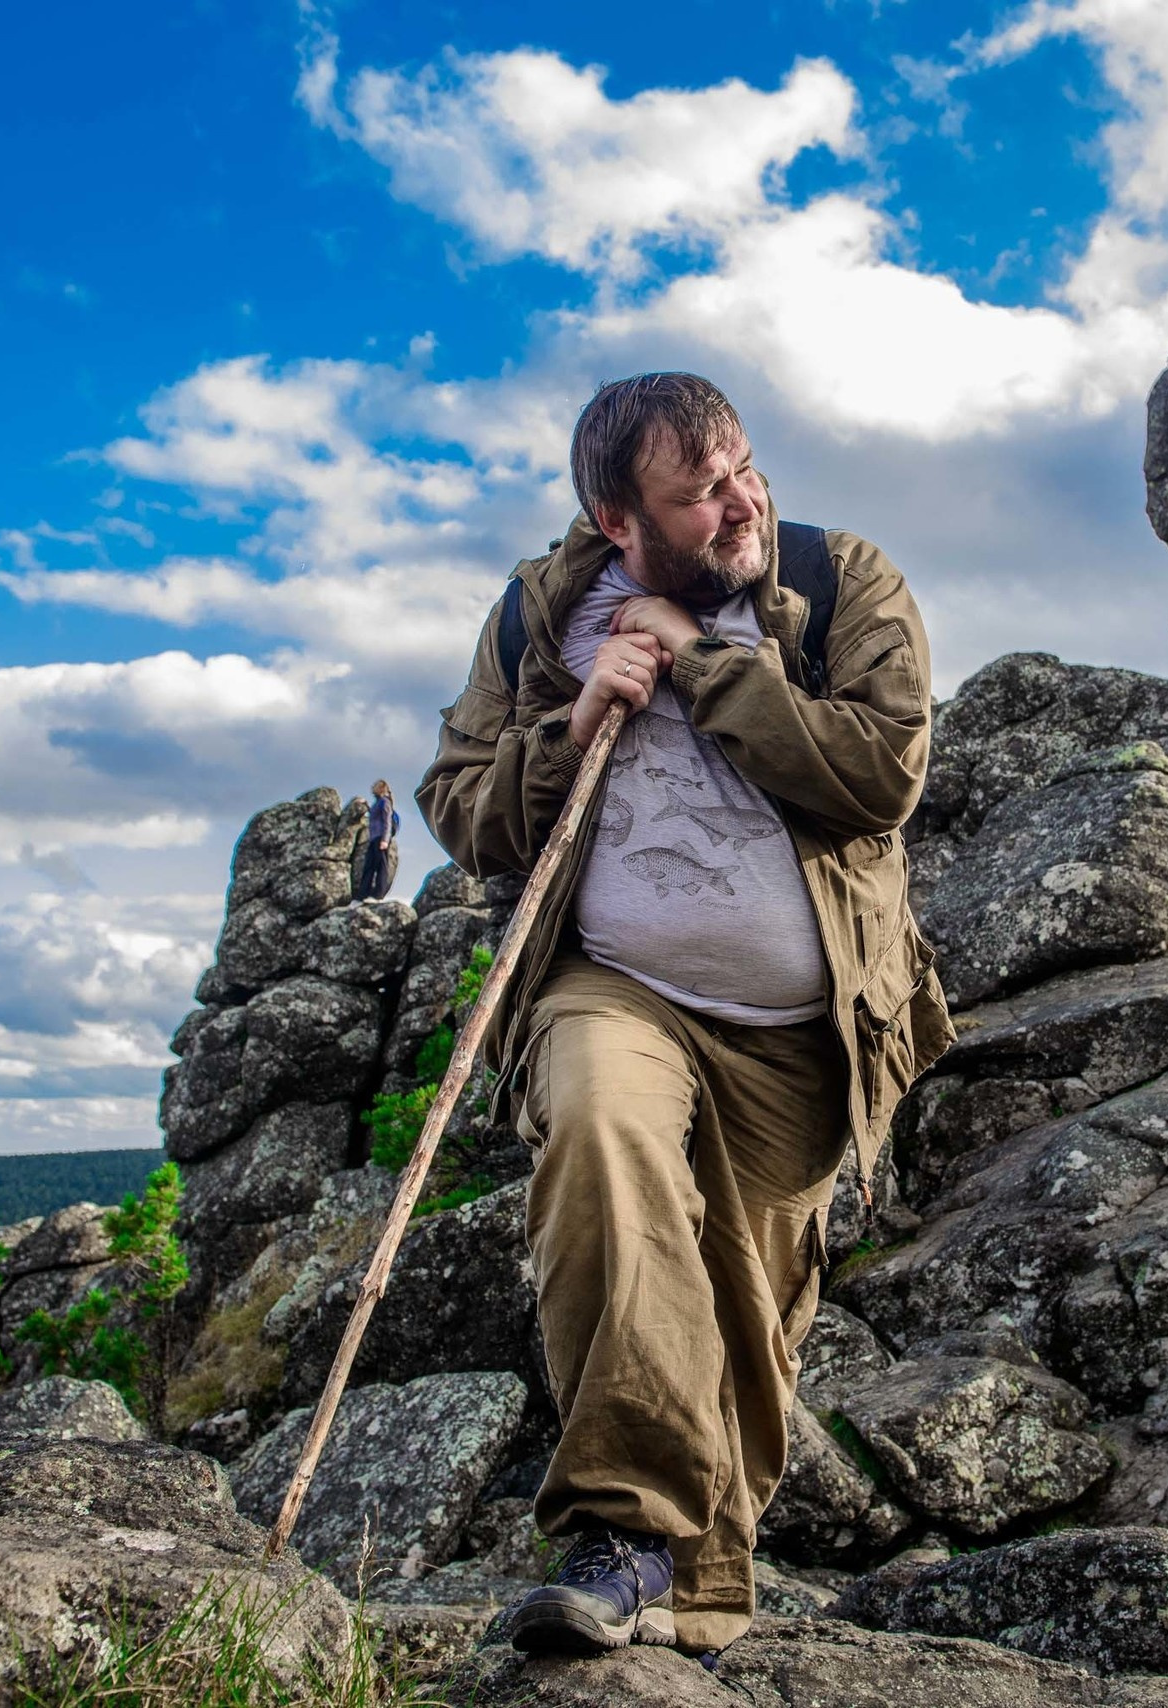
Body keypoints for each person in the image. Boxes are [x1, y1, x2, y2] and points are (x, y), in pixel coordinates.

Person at [416, 372, 951, 1657]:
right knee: (602, 1133)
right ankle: (621, 1537)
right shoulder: (535, 621)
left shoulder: (841, 581)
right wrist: (577, 717)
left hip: (801, 1033)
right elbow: (459, 806)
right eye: (698, 491)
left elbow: (878, 773)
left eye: (745, 470)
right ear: (616, 516)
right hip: (615, 982)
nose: (739, 504)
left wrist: (703, 661)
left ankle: (697, 1598)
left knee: (747, 1324)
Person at [355, 780, 399, 901]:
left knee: (381, 867)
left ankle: (378, 895)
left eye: (375, 786)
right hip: (374, 838)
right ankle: (362, 895)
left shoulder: (385, 802)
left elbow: (387, 822)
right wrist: (366, 805)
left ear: (381, 788)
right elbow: (374, 815)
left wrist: (385, 840)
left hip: (381, 838)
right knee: (369, 866)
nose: (372, 788)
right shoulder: (377, 803)